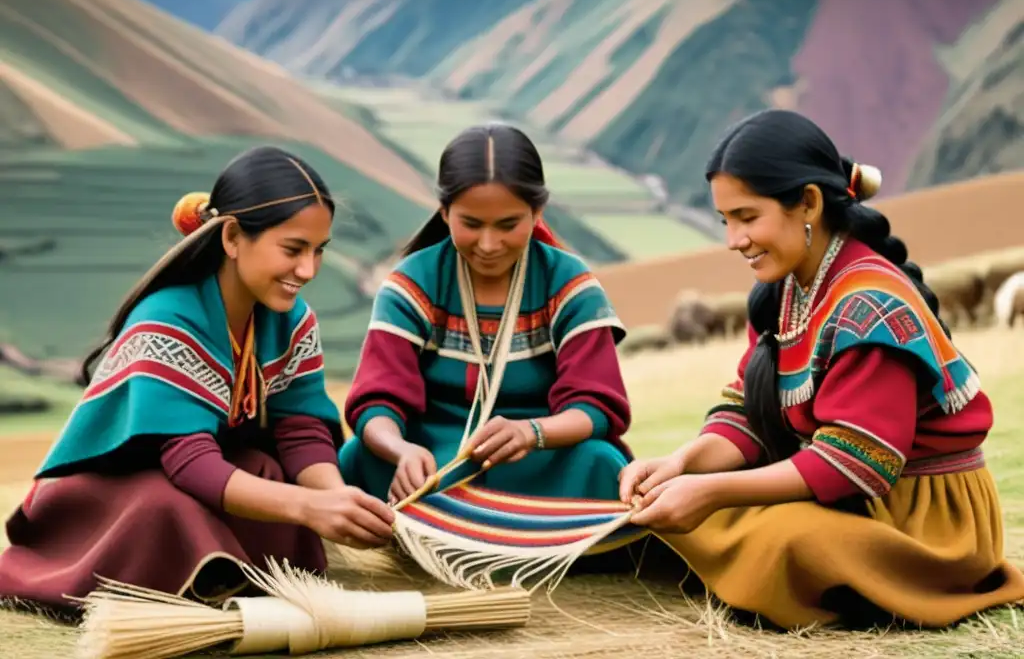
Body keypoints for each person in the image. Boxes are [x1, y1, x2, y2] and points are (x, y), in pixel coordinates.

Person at [618, 109, 1024, 630]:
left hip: (920, 522)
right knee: (714, 519)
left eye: (747, 217)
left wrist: (713, 490)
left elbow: (859, 461)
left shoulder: (871, 307)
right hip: (855, 499)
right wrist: (683, 465)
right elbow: (748, 407)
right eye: (725, 221)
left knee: (777, 537)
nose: (732, 240)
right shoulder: (786, 293)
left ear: (808, 202)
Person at [0, 146, 394, 615]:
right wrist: (306, 508)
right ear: (232, 237)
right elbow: (188, 461)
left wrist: (332, 495)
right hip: (118, 496)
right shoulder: (166, 321)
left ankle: (235, 577)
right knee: (166, 506)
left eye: (318, 251)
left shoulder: (293, 321)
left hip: (203, 480)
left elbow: (300, 427)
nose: (308, 270)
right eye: (293, 249)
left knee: (265, 470)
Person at [338, 124, 633, 507]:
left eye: (508, 224)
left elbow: (595, 405)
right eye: (471, 224)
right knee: (357, 456)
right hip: (432, 461)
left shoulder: (570, 285)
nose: (489, 244)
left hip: (538, 460)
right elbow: (377, 402)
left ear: (537, 211)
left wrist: (532, 432)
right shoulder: (412, 284)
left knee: (600, 463)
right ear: (444, 212)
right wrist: (401, 452)